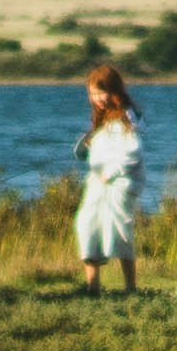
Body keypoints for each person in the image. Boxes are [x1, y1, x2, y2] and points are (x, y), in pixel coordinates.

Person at [72, 61, 146, 295]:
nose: (98, 98)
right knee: (87, 224)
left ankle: (130, 288)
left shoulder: (126, 116)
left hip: (120, 182)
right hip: (98, 181)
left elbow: (133, 152)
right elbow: (89, 152)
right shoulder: (102, 118)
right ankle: (93, 287)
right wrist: (85, 147)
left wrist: (110, 173)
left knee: (119, 230)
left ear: (114, 90)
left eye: (102, 92)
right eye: (94, 93)